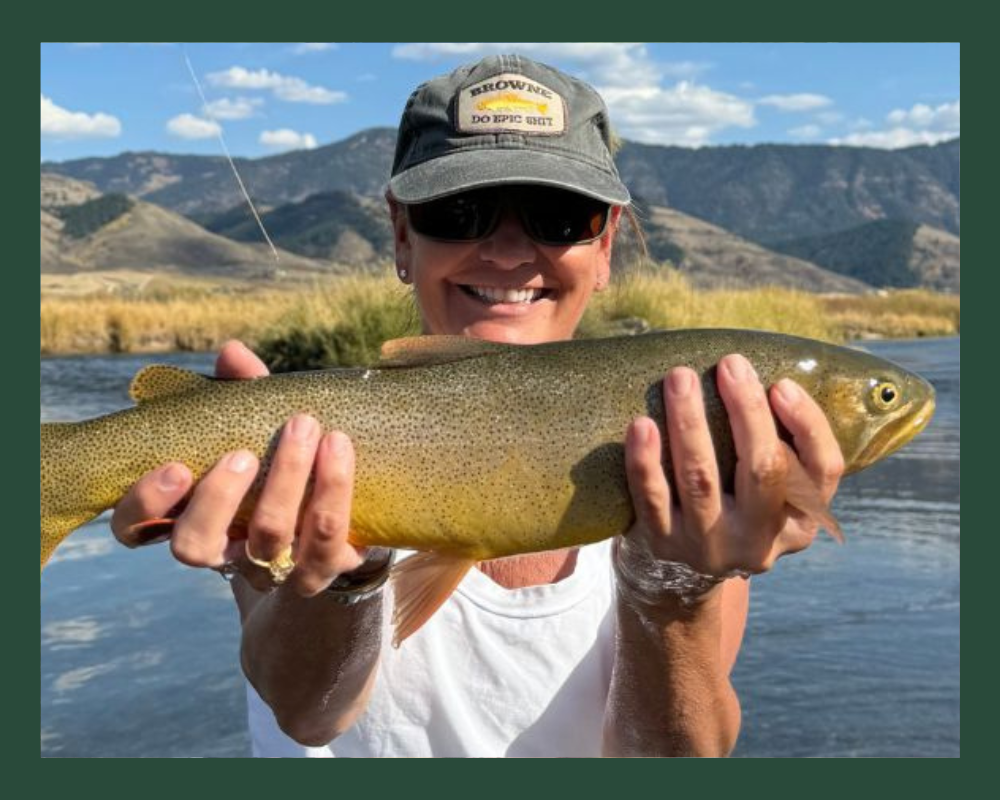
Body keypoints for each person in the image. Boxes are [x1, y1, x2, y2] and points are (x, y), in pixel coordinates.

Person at [110, 54, 844, 757]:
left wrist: (676, 586)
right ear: (402, 234)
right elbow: (310, 714)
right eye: (459, 212)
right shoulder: (309, 445)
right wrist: (345, 578)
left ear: (606, 243)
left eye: (559, 216)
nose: (505, 250)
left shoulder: (692, 472)